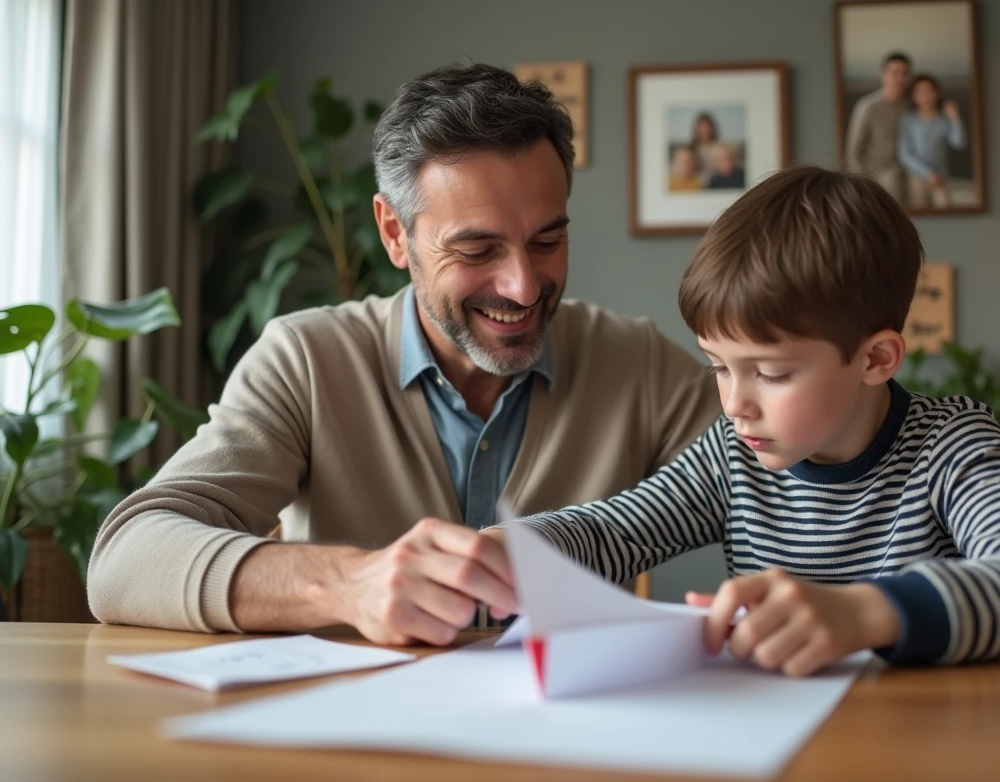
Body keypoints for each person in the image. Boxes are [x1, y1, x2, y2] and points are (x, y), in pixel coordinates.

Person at [86, 63, 721, 647]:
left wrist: (816, 600)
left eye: (547, 240)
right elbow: (124, 560)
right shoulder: (306, 360)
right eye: (476, 251)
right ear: (395, 233)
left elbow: (790, 471)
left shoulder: (635, 362)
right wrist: (348, 582)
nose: (523, 286)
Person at [489, 165, 1000, 678]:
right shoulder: (733, 453)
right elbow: (614, 533)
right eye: (718, 367)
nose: (734, 404)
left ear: (874, 359)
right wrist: (506, 554)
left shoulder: (951, 444)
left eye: (771, 374)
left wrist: (861, 614)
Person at [844, 52, 912, 203]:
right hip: (874, 176)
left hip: (905, 174)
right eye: (895, 73)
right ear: (884, 75)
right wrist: (861, 184)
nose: (900, 79)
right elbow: (853, 150)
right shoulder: (868, 107)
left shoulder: (910, 107)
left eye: (904, 73)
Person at [898, 74, 967, 210]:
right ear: (913, 96)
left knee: (946, 210)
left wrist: (954, 118)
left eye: (930, 90)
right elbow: (904, 153)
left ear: (937, 93)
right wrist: (927, 174)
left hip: (941, 176)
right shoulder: (908, 120)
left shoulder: (943, 120)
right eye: (920, 91)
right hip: (916, 176)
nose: (926, 95)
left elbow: (959, 142)